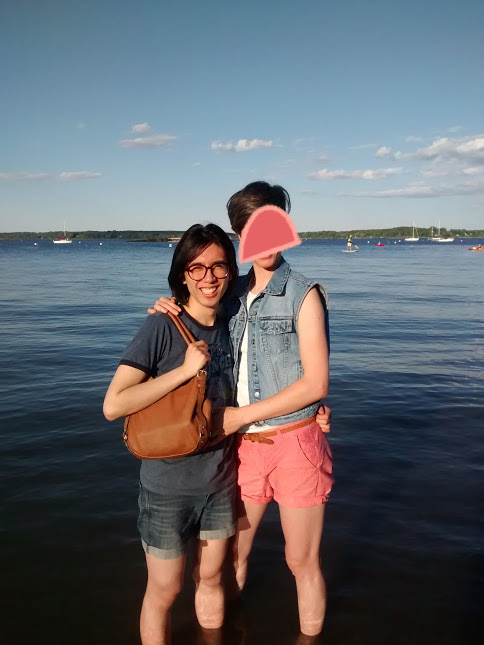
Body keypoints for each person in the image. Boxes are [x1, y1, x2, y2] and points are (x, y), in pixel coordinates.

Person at [152, 181, 333, 637]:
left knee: (300, 560)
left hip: (296, 443)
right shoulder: (231, 295)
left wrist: (238, 417)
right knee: (230, 558)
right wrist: (168, 308)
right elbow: (198, 310)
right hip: (245, 450)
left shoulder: (303, 293)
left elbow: (315, 380)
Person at [103, 224, 240, 645]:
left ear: (231, 272)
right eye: (196, 268)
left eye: (218, 266)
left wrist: (314, 411)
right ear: (182, 275)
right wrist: (183, 371)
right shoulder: (162, 327)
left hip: (219, 481)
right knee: (165, 589)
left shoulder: (235, 322)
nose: (208, 277)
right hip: (166, 485)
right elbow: (113, 405)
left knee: (213, 577)